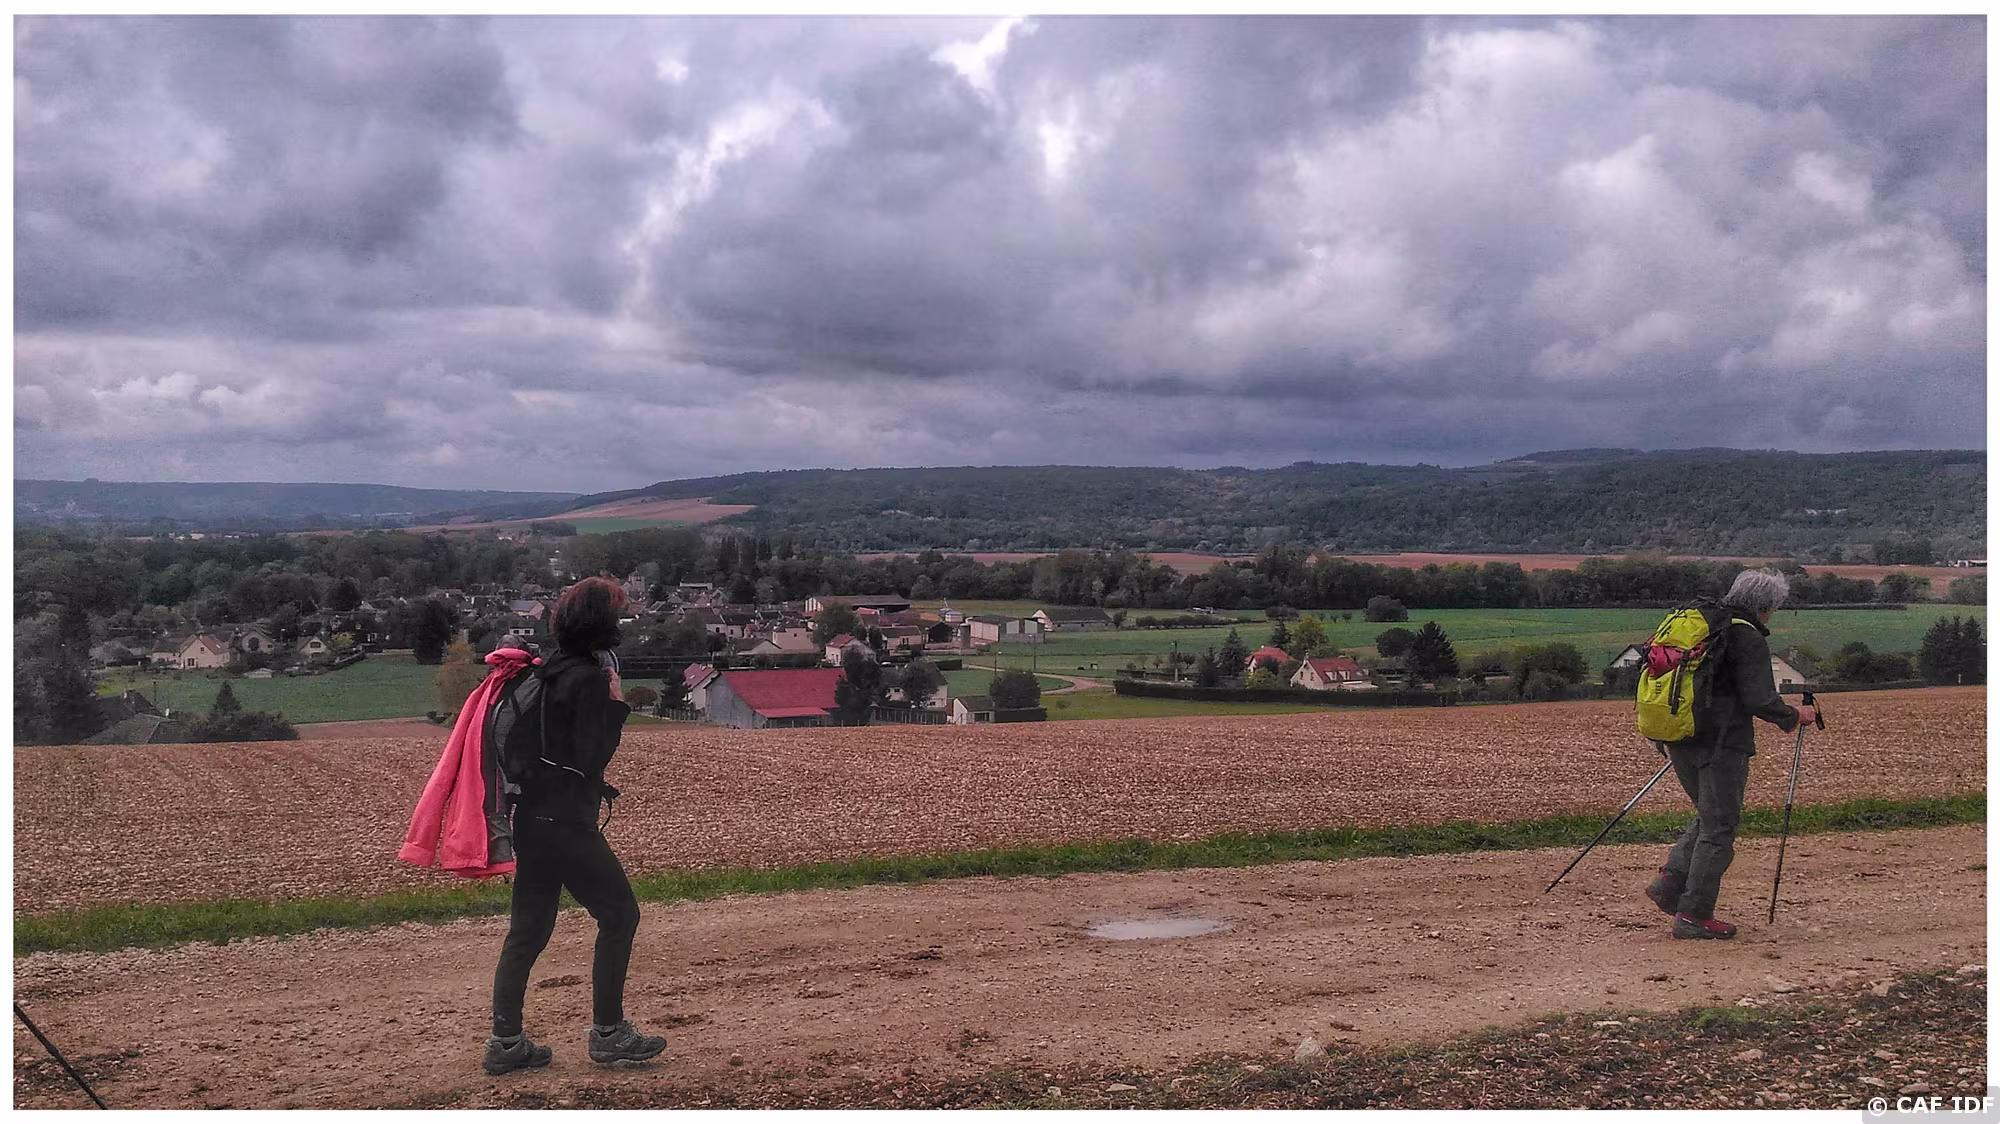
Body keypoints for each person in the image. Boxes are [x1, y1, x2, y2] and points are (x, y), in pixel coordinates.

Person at [484, 577, 666, 1074]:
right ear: (602, 623)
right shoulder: (586, 678)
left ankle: (506, 1043)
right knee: (620, 915)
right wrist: (616, 705)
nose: (622, 621)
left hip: (531, 818)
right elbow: (590, 757)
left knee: (527, 932)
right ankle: (608, 1034)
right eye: (618, 614)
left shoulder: (546, 670)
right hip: (566, 822)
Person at [1644, 568, 1818, 939]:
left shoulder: (1704, 626)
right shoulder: (1746, 635)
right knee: (1719, 826)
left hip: (1679, 735)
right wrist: (1794, 716)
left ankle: (1670, 884)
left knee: (1710, 817)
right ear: (1766, 606)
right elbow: (1760, 699)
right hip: (1721, 744)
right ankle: (1694, 915)